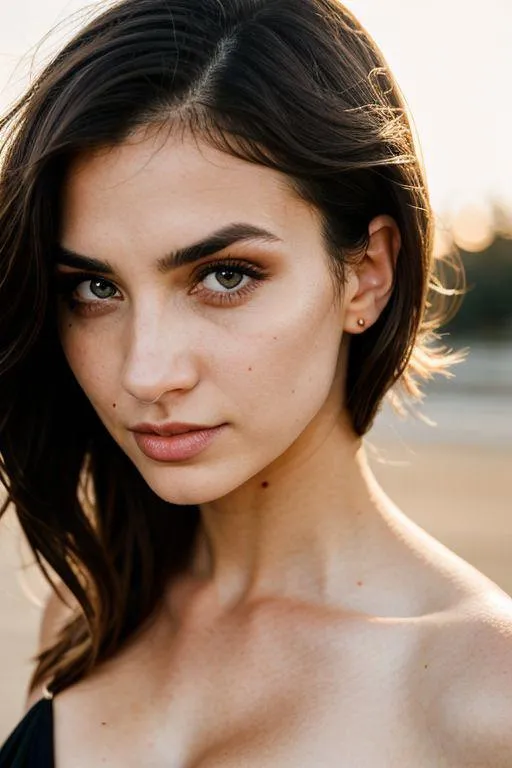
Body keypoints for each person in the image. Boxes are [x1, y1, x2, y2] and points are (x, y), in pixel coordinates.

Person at [0, 0, 511, 764]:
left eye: (225, 276)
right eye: (95, 289)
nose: (147, 372)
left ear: (367, 274)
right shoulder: (90, 613)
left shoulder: (481, 696)